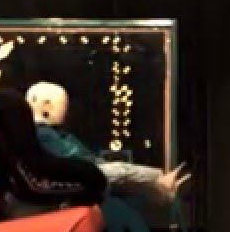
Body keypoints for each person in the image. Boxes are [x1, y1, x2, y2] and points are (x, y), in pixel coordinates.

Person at [26, 81, 190, 203]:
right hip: (79, 174)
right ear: (46, 106)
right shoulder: (43, 133)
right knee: (121, 170)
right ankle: (160, 179)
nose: (66, 111)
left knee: (123, 181)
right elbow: (72, 155)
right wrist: (97, 164)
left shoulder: (53, 132)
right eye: (63, 106)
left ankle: (163, 191)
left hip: (82, 170)